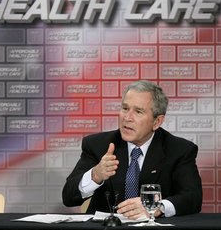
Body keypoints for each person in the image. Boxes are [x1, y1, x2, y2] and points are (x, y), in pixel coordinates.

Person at [62, 80, 202, 220]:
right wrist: (95, 175)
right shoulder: (98, 145)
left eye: (138, 111)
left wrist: (157, 207)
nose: (127, 118)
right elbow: (68, 197)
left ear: (157, 122)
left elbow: (192, 198)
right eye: (125, 108)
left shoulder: (179, 150)